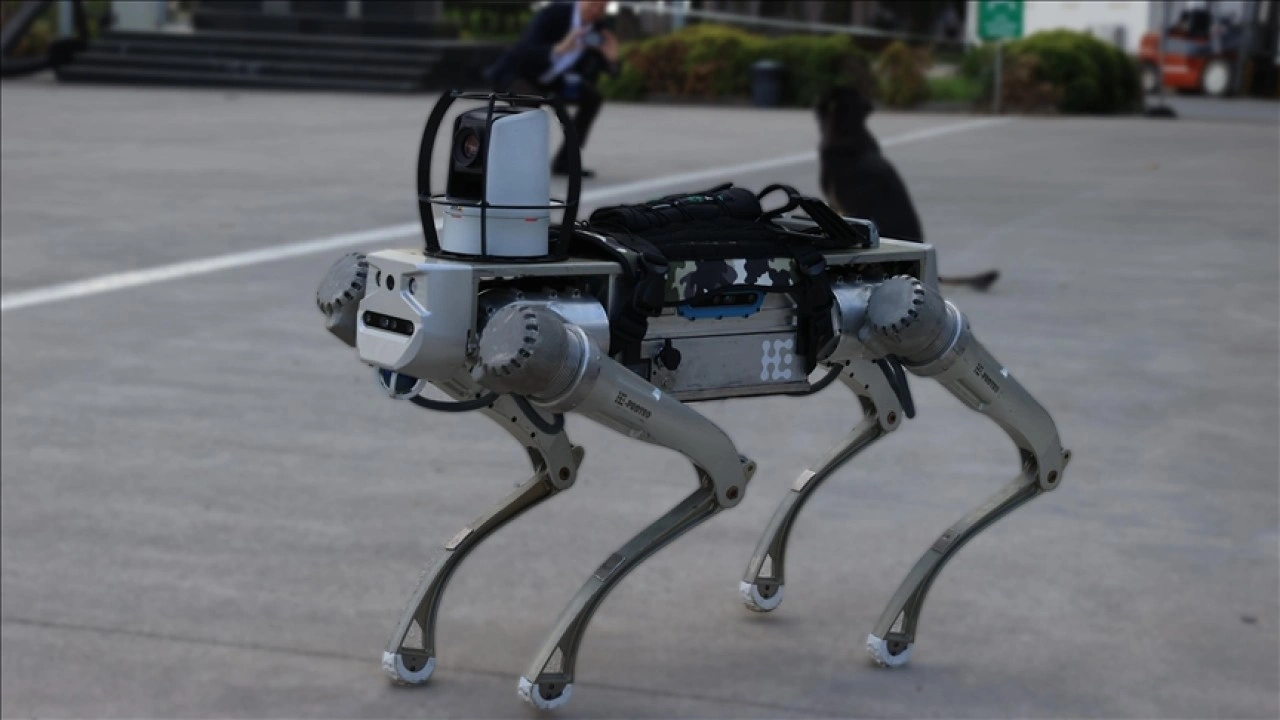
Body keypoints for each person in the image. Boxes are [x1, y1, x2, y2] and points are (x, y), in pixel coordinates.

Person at [485, 0, 620, 178]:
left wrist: (612, 59)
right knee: (530, 103)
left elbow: (610, 71)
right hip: (517, 74)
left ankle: (565, 161)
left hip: (554, 81)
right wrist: (559, 48)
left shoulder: (598, 28)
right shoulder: (554, 13)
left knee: (592, 98)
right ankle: (514, 164)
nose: (596, 10)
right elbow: (524, 50)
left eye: (601, 7)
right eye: (592, 4)